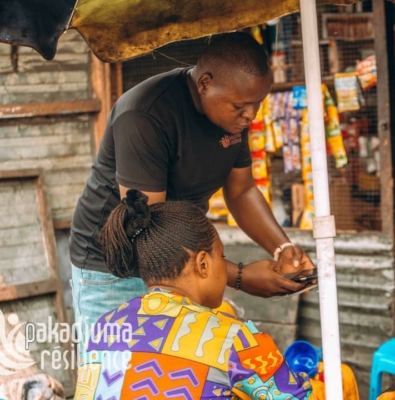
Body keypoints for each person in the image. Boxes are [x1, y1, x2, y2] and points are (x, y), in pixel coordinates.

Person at [70, 31, 315, 347]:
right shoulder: (145, 115)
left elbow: (241, 191)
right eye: (241, 105)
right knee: (115, 376)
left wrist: (283, 248)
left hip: (180, 264)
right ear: (205, 83)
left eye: (258, 103)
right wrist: (239, 276)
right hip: (114, 270)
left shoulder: (231, 117)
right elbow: (152, 233)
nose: (251, 115)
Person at [74, 190, 324, 399]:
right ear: (203, 264)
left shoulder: (103, 327)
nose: (224, 265)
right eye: (222, 257)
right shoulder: (236, 339)